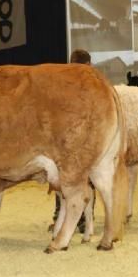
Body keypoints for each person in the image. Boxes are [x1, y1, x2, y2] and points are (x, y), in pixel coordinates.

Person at [51, 49, 94, 233]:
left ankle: (63, 217)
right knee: (86, 180)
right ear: (88, 65)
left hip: (67, 140)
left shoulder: (61, 84)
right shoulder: (93, 85)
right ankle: (83, 220)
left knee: (63, 179)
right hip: (82, 139)